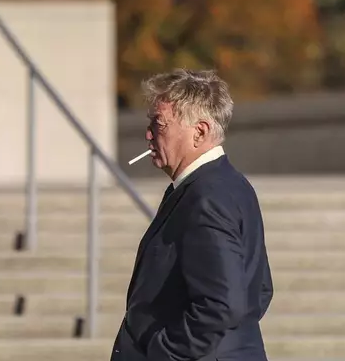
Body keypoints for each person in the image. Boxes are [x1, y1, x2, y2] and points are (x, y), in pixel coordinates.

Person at [111, 69, 274, 361]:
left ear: (199, 132)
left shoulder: (208, 196)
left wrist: (164, 351)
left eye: (158, 124)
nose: (148, 134)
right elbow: (259, 290)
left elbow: (223, 304)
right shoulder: (227, 185)